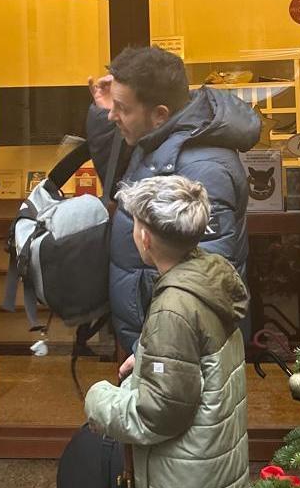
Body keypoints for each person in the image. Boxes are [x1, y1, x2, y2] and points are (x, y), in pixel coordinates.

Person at [84, 175, 250, 488]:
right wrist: (147, 356)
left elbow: (158, 413)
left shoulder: (173, 307)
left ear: (145, 237)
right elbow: (197, 360)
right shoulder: (208, 275)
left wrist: (98, 398)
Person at [86, 46, 260, 357]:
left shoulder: (202, 167)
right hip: (158, 342)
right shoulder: (158, 142)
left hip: (179, 352)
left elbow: (203, 282)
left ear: (160, 115)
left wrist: (152, 352)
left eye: (122, 108)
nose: (114, 115)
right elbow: (121, 187)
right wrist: (105, 112)